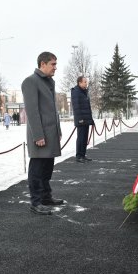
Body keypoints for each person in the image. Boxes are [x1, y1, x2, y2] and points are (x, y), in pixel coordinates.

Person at [21, 52, 64, 215]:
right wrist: (38, 135)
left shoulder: (48, 81)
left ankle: (46, 197)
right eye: (53, 64)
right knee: (37, 168)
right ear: (43, 64)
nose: (55, 67)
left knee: (47, 167)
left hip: (51, 134)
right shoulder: (31, 82)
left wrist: (58, 130)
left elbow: (52, 111)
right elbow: (32, 112)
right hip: (40, 135)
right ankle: (36, 202)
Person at [71, 76, 95, 163]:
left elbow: (87, 107)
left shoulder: (84, 92)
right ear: (79, 83)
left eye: (86, 82)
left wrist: (90, 119)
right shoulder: (76, 92)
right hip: (81, 120)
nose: (86, 83)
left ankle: (83, 155)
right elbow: (76, 107)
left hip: (86, 119)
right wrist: (80, 119)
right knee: (81, 138)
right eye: (84, 82)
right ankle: (79, 156)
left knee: (85, 138)